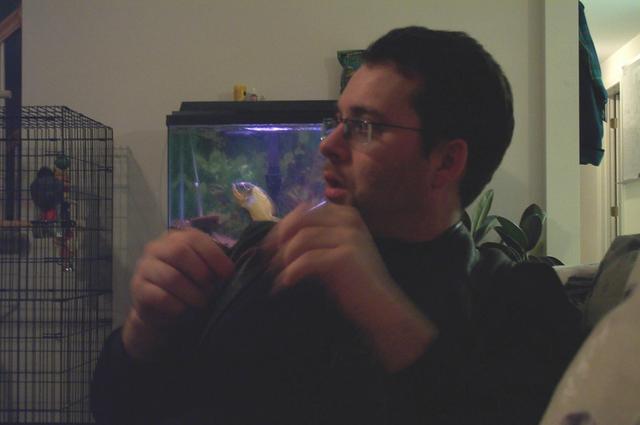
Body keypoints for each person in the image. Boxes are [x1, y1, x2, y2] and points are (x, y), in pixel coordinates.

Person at [91, 26, 582, 425]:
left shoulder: (517, 300)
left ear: (446, 161)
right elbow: (118, 410)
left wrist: (378, 303)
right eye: (338, 121)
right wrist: (145, 329)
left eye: (364, 126)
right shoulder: (262, 248)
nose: (328, 145)